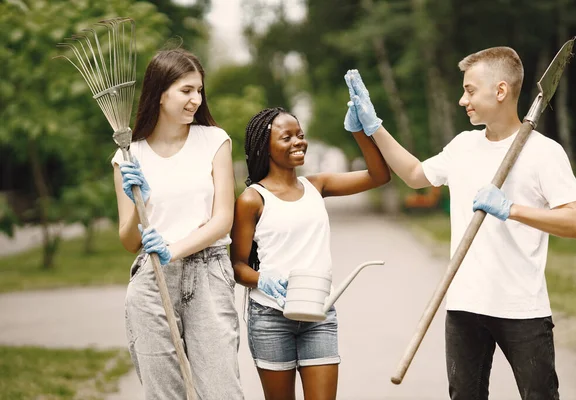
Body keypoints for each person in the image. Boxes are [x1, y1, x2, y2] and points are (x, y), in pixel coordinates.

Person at [344, 47, 576, 399]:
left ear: (501, 91)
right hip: (464, 305)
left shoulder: (544, 152)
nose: (463, 100)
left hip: (521, 307)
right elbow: (416, 175)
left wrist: (512, 209)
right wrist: (375, 127)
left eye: (470, 90)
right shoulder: (463, 146)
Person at [230, 106, 390, 399]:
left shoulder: (317, 185)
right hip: (270, 317)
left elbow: (379, 175)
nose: (298, 142)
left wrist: (360, 131)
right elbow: (238, 265)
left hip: (319, 313)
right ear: (265, 146)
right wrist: (263, 279)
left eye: (300, 135)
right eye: (286, 137)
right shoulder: (252, 200)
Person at [111, 48, 244, 399]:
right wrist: (143, 197)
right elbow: (128, 240)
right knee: (165, 394)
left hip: (208, 275)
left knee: (221, 391)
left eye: (199, 90)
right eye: (186, 90)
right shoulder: (129, 155)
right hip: (151, 282)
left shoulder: (214, 140)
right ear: (160, 92)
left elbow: (222, 220)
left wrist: (174, 249)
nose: (196, 100)